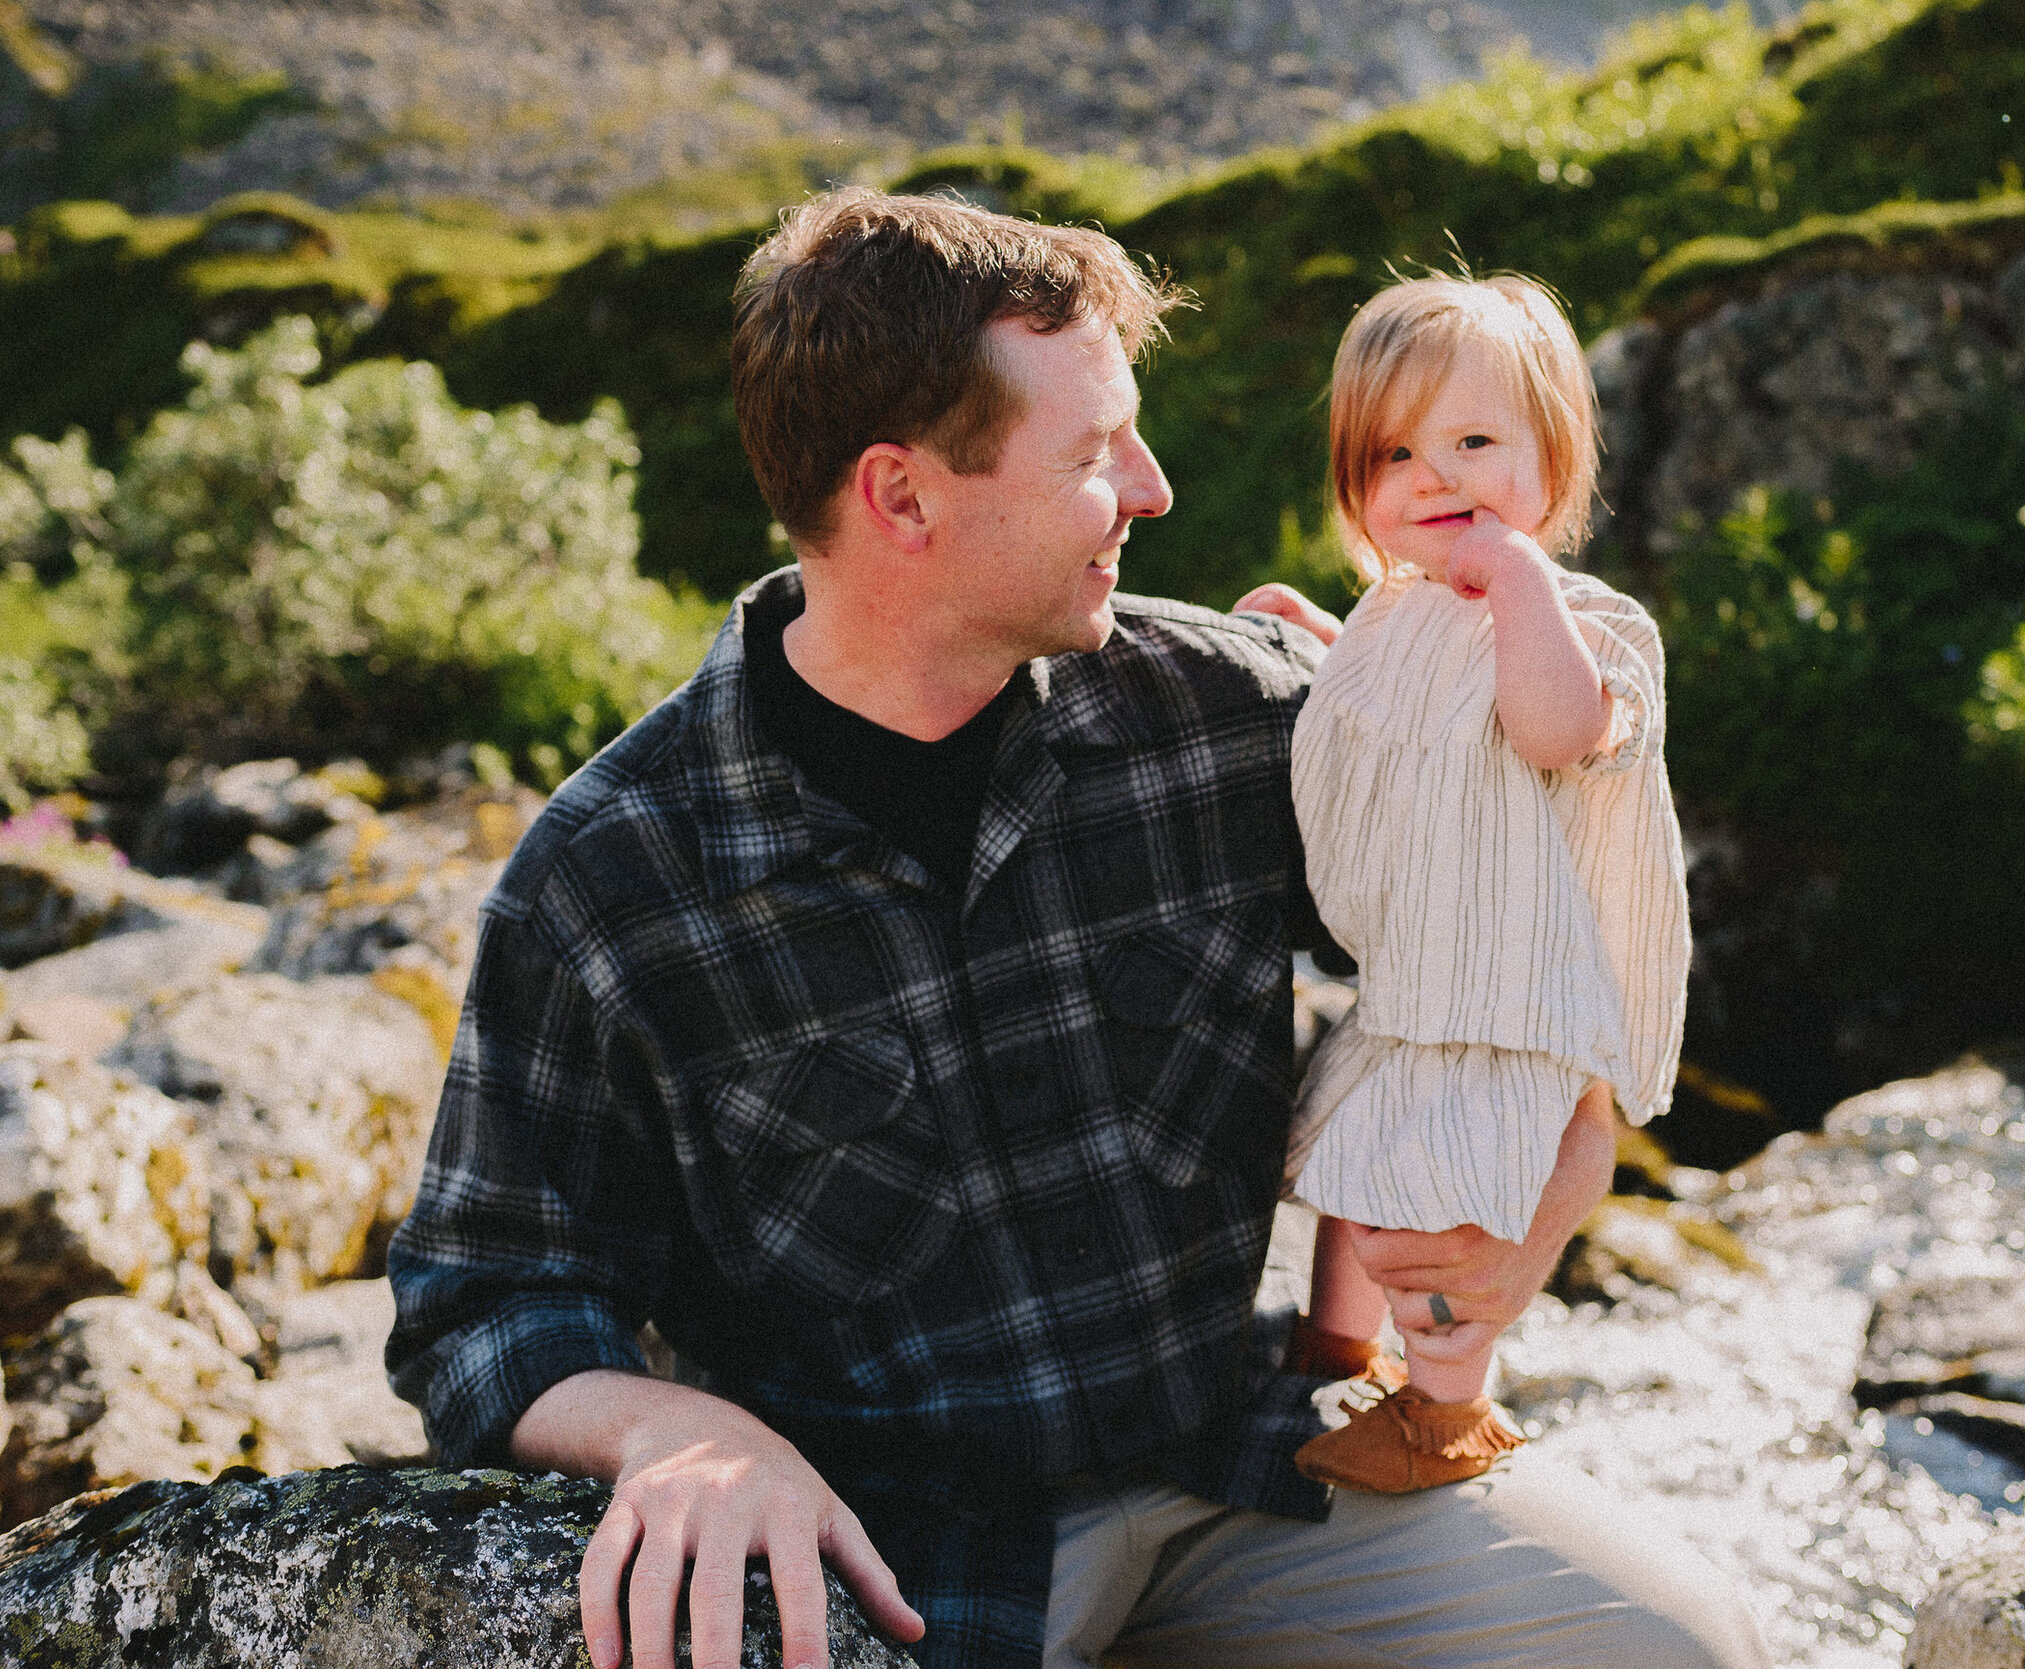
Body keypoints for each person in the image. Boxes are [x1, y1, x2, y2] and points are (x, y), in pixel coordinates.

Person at [387, 188, 1768, 1669]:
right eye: (1099, 451)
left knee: (1686, 1648)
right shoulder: (613, 875)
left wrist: (1541, 1216)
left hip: (1248, 1461)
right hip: (899, 1547)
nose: (1157, 489)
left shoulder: (1232, 716)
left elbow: (1539, 925)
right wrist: (679, 1433)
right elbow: (479, 1298)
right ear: (903, 497)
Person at [1258, 272, 1693, 1495]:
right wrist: (1315, 639)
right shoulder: (1400, 612)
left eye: (1474, 442)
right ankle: (1331, 1349)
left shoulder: (1576, 621)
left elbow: (1551, 731)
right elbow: (1407, 722)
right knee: (1354, 1169)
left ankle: (1447, 1404)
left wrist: (1515, 585)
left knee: (1450, 1217)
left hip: (1510, 998)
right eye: (1394, 454)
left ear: (1552, 462)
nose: (1434, 477)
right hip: (1413, 985)